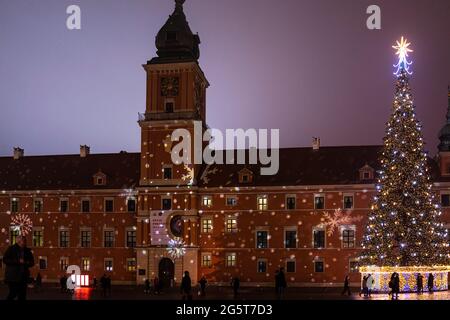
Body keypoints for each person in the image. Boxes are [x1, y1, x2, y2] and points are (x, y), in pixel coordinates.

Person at [3, 235, 35, 301]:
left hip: (23, 277)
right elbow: (5, 260)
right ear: (18, 241)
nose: (25, 242)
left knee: (22, 295)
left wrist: (26, 262)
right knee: (13, 293)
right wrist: (17, 261)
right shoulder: (11, 249)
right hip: (13, 277)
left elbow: (32, 263)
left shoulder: (27, 250)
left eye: (25, 240)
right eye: (24, 240)